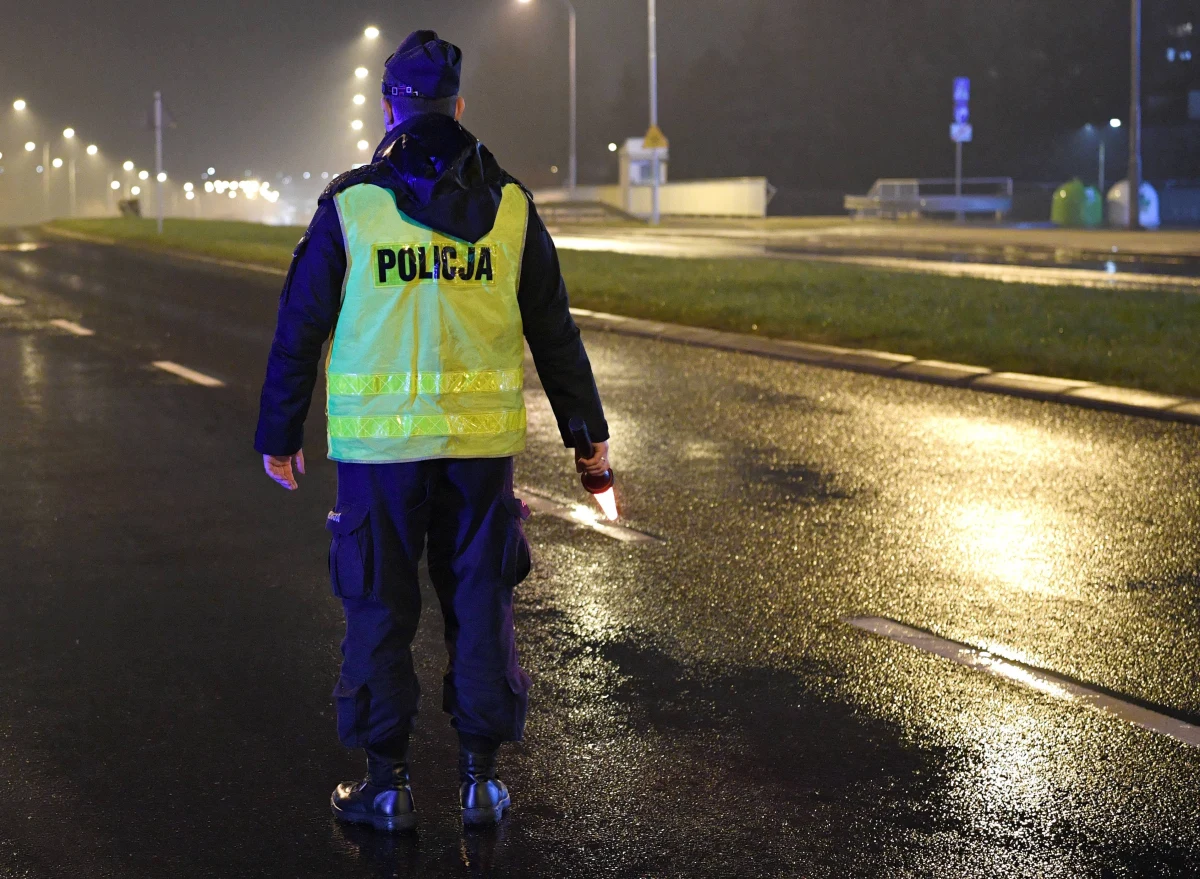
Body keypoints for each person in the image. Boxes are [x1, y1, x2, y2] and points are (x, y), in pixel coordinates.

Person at [254, 29, 610, 831]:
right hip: (480, 459)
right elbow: (554, 329)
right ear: (460, 104)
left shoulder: (351, 207)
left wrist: (280, 431)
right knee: (480, 603)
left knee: (380, 606)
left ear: (390, 105)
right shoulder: (513, 206)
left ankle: (388, 786)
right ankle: (481, 782)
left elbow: (299, 326)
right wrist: (587, 435)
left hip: (380, 458)